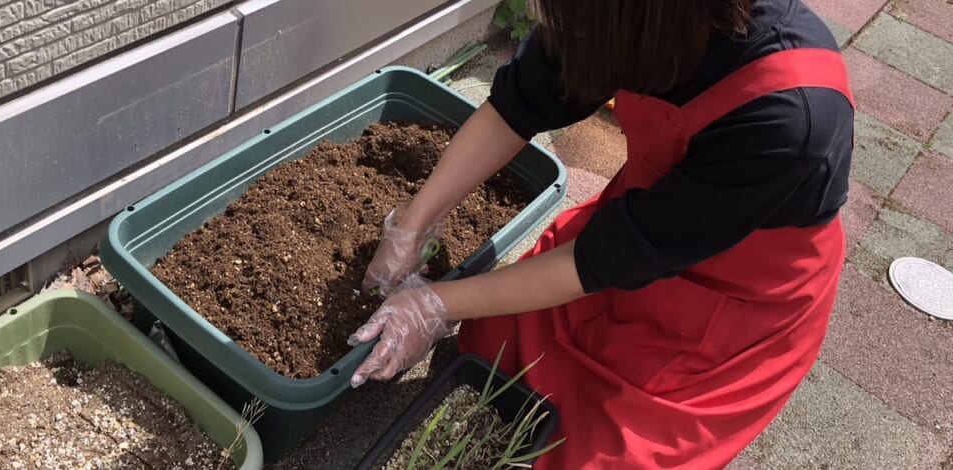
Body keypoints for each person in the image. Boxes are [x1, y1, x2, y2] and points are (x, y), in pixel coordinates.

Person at [346, 0, 856, 467]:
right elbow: (518, 105)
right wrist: (411, 226)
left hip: (736, 295)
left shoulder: (787, 118)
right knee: (489, 348)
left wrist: (434, 304)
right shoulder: (616, 16)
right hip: (642, 224)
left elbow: (602, 259)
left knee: (588, 456)